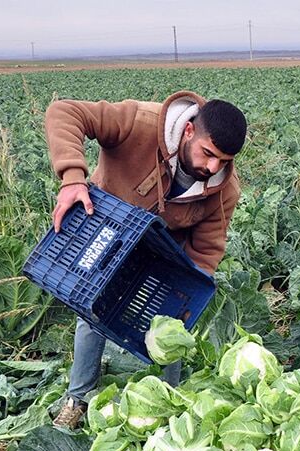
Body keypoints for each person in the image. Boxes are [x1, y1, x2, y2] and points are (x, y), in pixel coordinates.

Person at [43, 91, 247, 428]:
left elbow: (208, 247)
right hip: (108, 226)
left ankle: (169, 402)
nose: (213, 167)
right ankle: (77, 399)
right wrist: (72, 178)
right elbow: (65, 112)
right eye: (208, 154)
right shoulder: (140, 123)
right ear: (189, 131)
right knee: (92, 308)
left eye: (223, 161)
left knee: (172, 320)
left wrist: (188, 291)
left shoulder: (223, 188)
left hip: (162, 251)